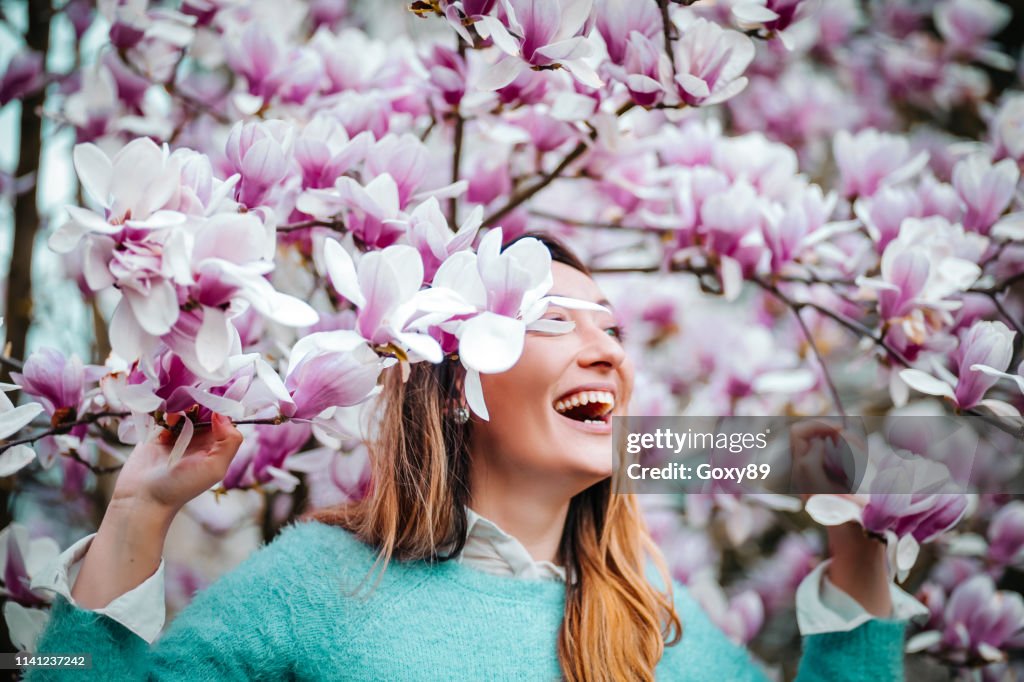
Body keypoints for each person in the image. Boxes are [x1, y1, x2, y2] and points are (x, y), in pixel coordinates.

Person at [28, 232, 924, 681]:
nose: (609, 349)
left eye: (612, 330)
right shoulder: (323, 582)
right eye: (552, 321)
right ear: (459, 387)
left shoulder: (656, 620)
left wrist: (859, 551)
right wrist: (138, 514)